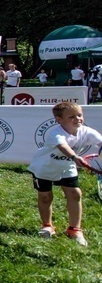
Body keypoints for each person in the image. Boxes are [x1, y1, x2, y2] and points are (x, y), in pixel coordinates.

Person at [27, 102, 102, 246]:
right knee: (45, 197)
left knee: (75, 194)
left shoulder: (87, 132)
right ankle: (47, 226)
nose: (78, 119)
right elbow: (63, 146)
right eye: (72, 117)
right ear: (59, 120)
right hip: (44, 167)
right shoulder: (55, 133)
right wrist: (74, 157)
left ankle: (74, 229)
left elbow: (101, 143)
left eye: (79, 115)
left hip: (66, 166)